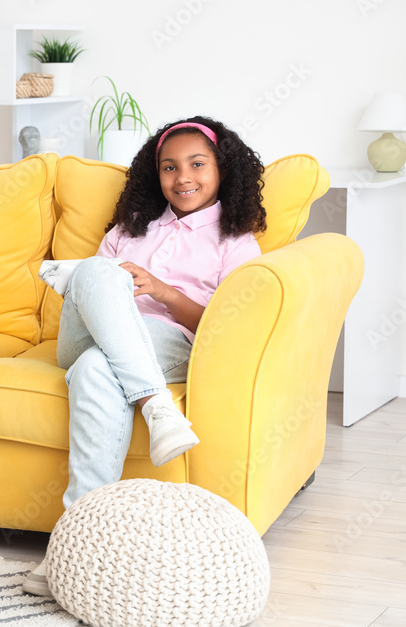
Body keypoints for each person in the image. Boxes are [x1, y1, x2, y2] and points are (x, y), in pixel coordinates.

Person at [23, 116, 267, 596]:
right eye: (169, 168)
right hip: (85, 337)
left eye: (197, 164)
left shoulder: (236, 240)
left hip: (168, 342)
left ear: (222, 169)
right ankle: (156, 404)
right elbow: (90, 290)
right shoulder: (129, 228)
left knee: (96, 369)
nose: (183, 178)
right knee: (96, 271)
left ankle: (73, 546)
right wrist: (99, 278)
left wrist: (163, 292)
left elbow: (225, 329)